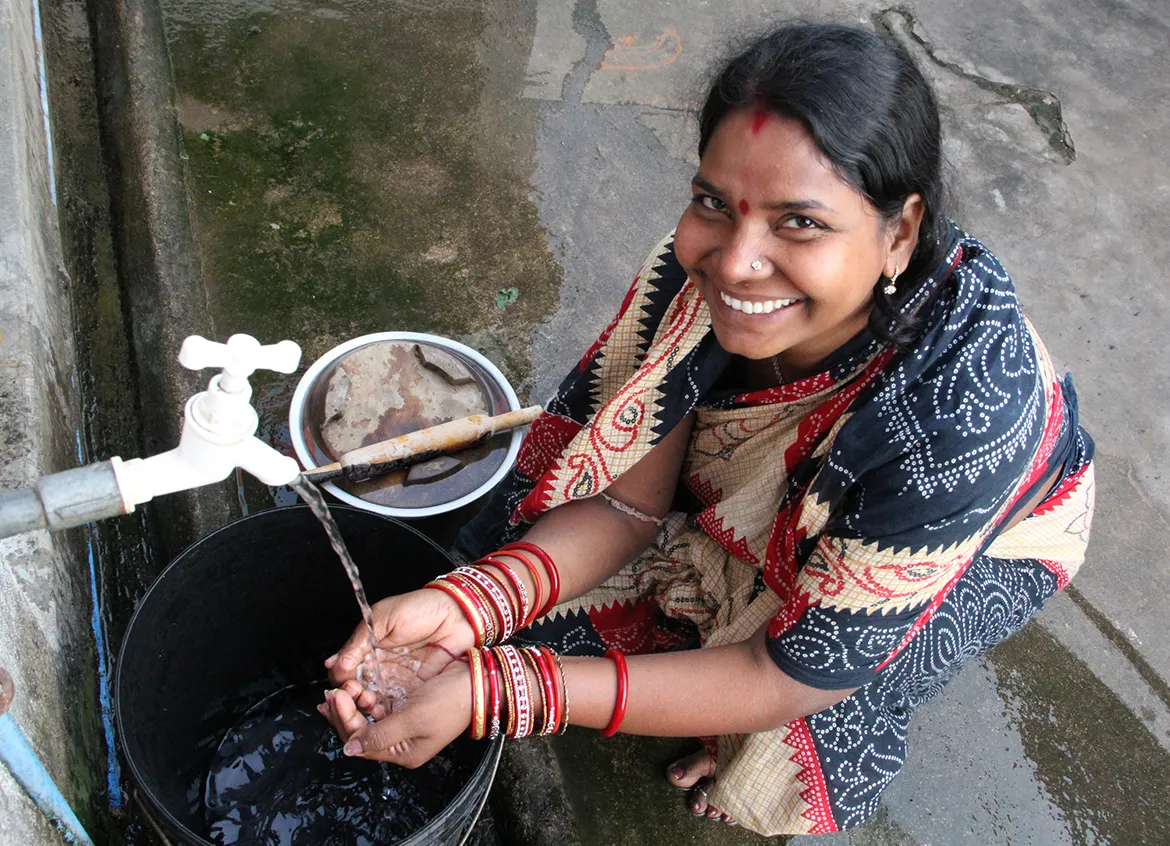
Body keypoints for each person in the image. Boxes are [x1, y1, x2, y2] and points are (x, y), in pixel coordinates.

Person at [319, 22, 1096, 836]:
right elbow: (627, 508)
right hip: (778, 504)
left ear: (898, 232)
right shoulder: (696, 279)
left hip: (996, 545)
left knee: (803, 709)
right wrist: (471, 604)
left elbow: (786, 673)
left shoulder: (963, 417)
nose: (734, 263)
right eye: (713, 204)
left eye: (800, 223)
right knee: (538, 601)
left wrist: (506, 691)